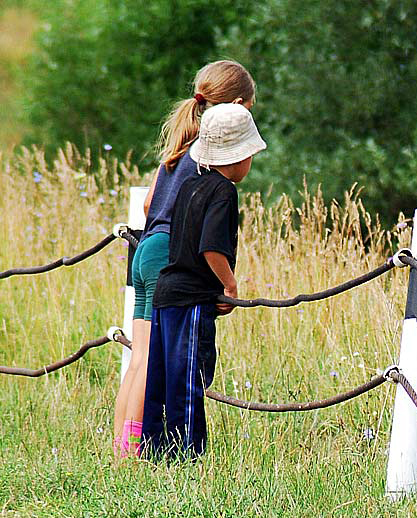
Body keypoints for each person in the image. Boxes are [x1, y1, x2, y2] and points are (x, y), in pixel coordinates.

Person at [112, 60, 256, 458]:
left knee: (140, 357)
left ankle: (123, 450)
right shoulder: (208, 157)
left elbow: (147, 203)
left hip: (146, 248)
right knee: (156, 360)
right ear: (240, 107)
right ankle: (138, 450)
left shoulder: (178, 148)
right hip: (170, 259)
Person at [141, 102, 266, 458]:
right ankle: (185, 453)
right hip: (192, 299)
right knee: (188, 379)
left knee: (161, 377)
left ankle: (153, 449)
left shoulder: (189, 186)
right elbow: (211, 248)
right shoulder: (223, 192)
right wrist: (228, 285)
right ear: (239, 157)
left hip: (166, 292)